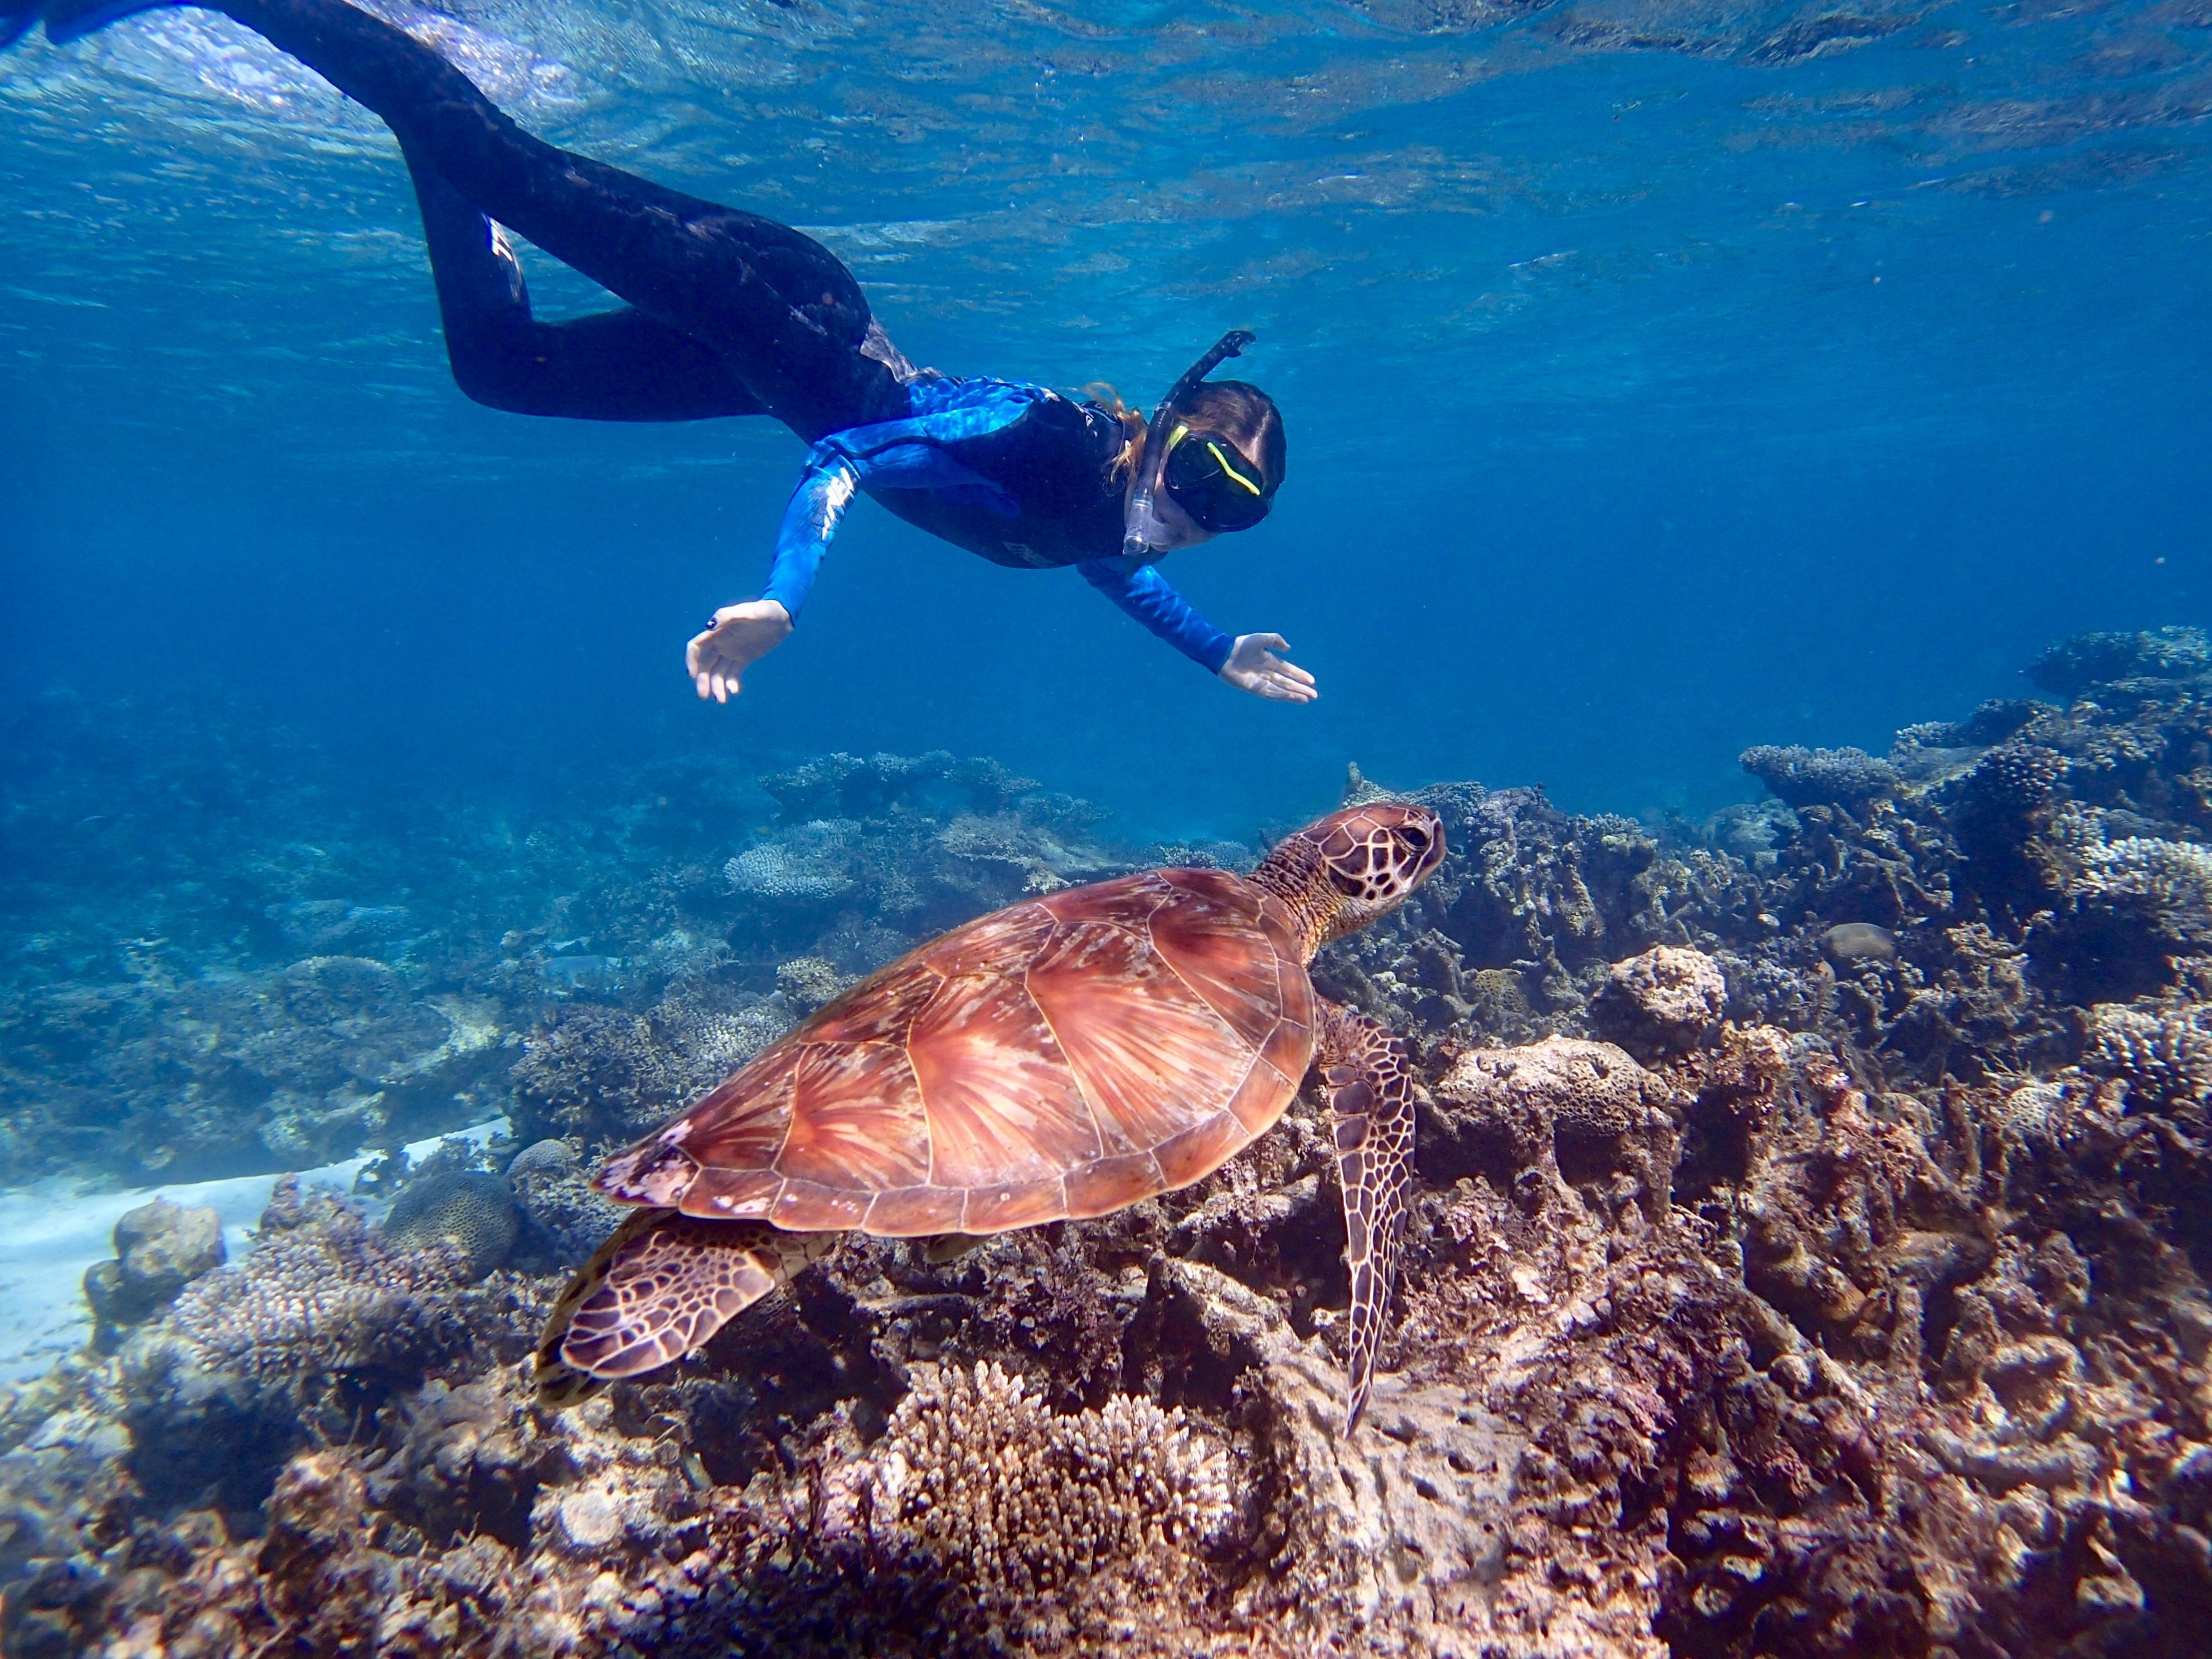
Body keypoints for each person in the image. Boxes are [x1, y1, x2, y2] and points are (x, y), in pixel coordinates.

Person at [3, 0, 1320, 707]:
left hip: (758, 372)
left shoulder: (1118, 520)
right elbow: (853, 457)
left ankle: (432, 117)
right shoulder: (1051, 442)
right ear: (1159, 425)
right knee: (507, 166)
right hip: (777, 307)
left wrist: (1213, 652)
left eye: (1229, 517)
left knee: (496, 370)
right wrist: (782, 601)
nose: (1192, 521)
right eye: (1199, 478)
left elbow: (1104, 562)